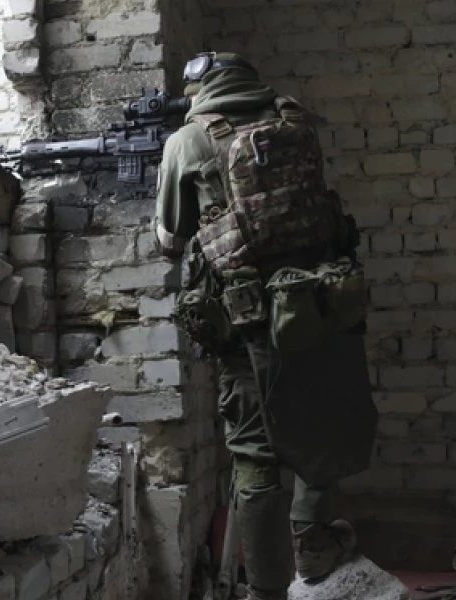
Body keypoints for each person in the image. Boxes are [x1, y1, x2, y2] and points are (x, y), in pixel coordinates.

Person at [154, 53, 379, 600]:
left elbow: (170, 238)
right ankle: (314, 546)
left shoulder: (189, 141)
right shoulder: (296, 121)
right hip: (321, 307)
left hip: (249, 323)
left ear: (199, 90)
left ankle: (266, 591)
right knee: (320, 429)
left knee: (255, 457)